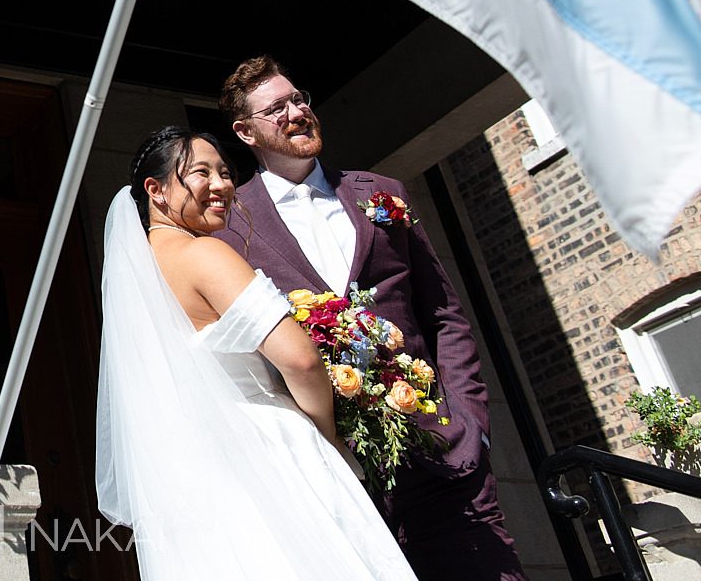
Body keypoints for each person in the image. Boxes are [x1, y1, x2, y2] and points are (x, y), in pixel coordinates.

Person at [218, 56, 528, 581]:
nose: (296, 112)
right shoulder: (231, 224)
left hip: (441, 454)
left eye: (300, 99)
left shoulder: (381, 193)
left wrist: (471, 422)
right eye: (277, 108)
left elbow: (443, 314)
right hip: (332, 470)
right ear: (246, 132)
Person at [95, 126, 419, 581]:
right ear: (156, 190)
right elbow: (300, 358)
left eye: (226, 173)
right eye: (201, 173)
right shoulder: (205, 253)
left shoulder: (137, 276)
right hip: (269, 448)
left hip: (197, 472)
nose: (223, 185)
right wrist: (327, 436)